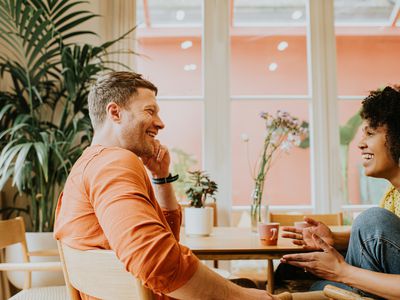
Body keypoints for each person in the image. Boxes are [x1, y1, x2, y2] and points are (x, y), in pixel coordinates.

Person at [54, 71, 278, 300]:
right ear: (115, 112)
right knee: (253, 288)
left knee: (243, 283)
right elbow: (155, 263)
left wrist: (161, 178)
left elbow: (165, 241)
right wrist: (241, 297)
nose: (160, 123)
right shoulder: (114, 163)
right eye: (149, 111)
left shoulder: (87, 164)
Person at [280, 86, 400, 299]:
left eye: (370, 134)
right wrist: (333, 238)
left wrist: (343, 272)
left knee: (371, 220)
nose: (360, 144)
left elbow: (375, 231)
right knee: (294, 274)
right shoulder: (393, 193)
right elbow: (384, 242)